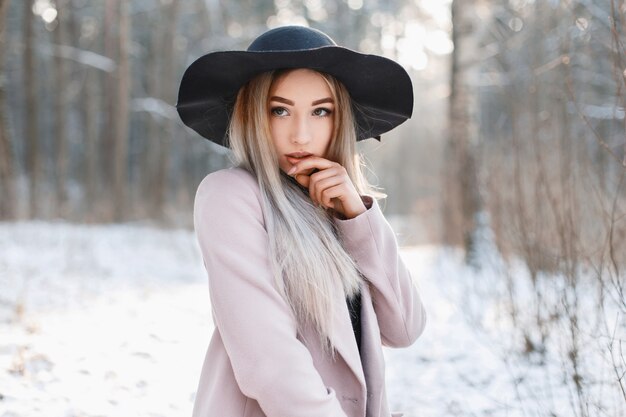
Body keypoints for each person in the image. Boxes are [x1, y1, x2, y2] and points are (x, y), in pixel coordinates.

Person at [176, 25, 427, 417]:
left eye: (320, 111)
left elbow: (405, 327)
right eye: (279, 110)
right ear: (252, 116)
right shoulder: (230, 196)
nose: (301, 134)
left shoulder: (336, 205)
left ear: (339, 119)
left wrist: (356, 216)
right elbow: (269, 363)